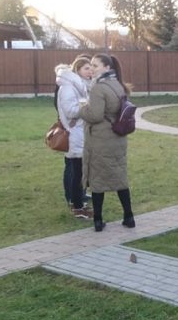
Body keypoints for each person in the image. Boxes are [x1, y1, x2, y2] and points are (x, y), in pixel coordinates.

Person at [79, 53, 135, 232]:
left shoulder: (98, 88)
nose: (92, 69)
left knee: (98, 181)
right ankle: (129, 217)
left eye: (96, 65)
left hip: (101, 140)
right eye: (91, 65)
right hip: (118, 139)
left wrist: (82, 109)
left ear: (107, 67)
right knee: (120, 178)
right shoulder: (118, 85)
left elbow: (95, 115)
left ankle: (98, 220)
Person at [55, 56, 93, 219]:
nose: (90, 71)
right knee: (77, 172)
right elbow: (70, 111)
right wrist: (88, 108)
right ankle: (77, 207)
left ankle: (78, 202)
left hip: (80, 132)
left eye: (91, 68)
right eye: (86, 68)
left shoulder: (78, 86)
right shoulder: (68, 87)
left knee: (79, 171)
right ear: (77, 70)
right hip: (75, 133)